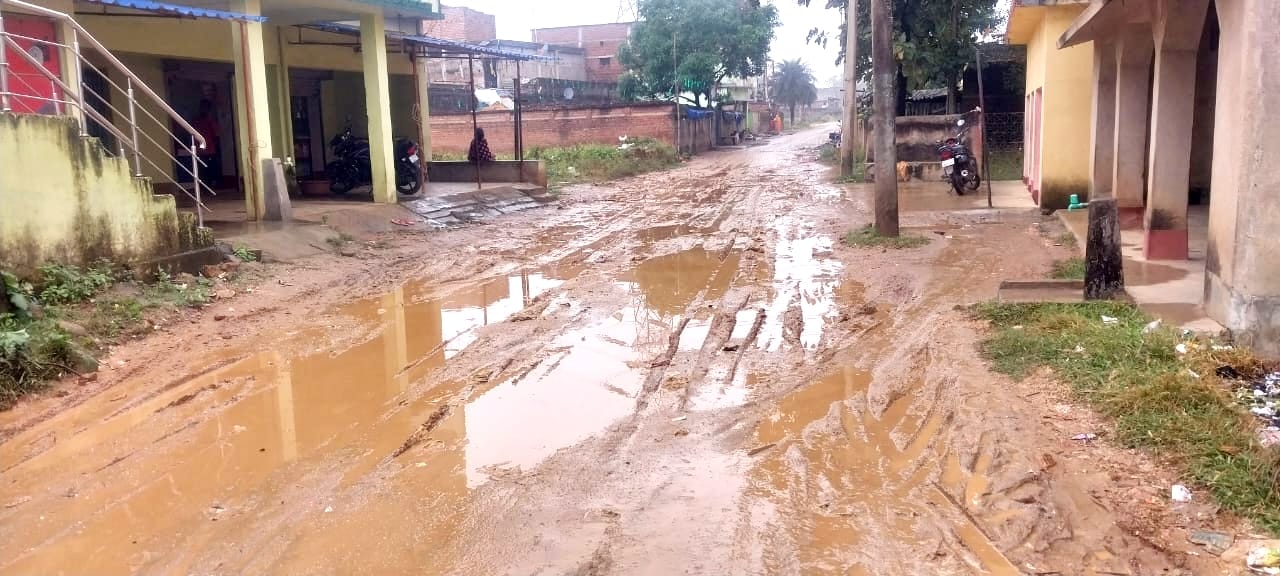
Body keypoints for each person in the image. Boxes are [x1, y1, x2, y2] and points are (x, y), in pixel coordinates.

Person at [193, 99, 221, 189]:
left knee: (209, 169)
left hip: (209, 149)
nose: (204, 109)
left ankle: (209, 185)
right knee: (203, 170)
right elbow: (216, 135)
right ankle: (205, 186)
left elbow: (216, 135)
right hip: (202, 150)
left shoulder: (210, 121)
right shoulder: (198, 121)